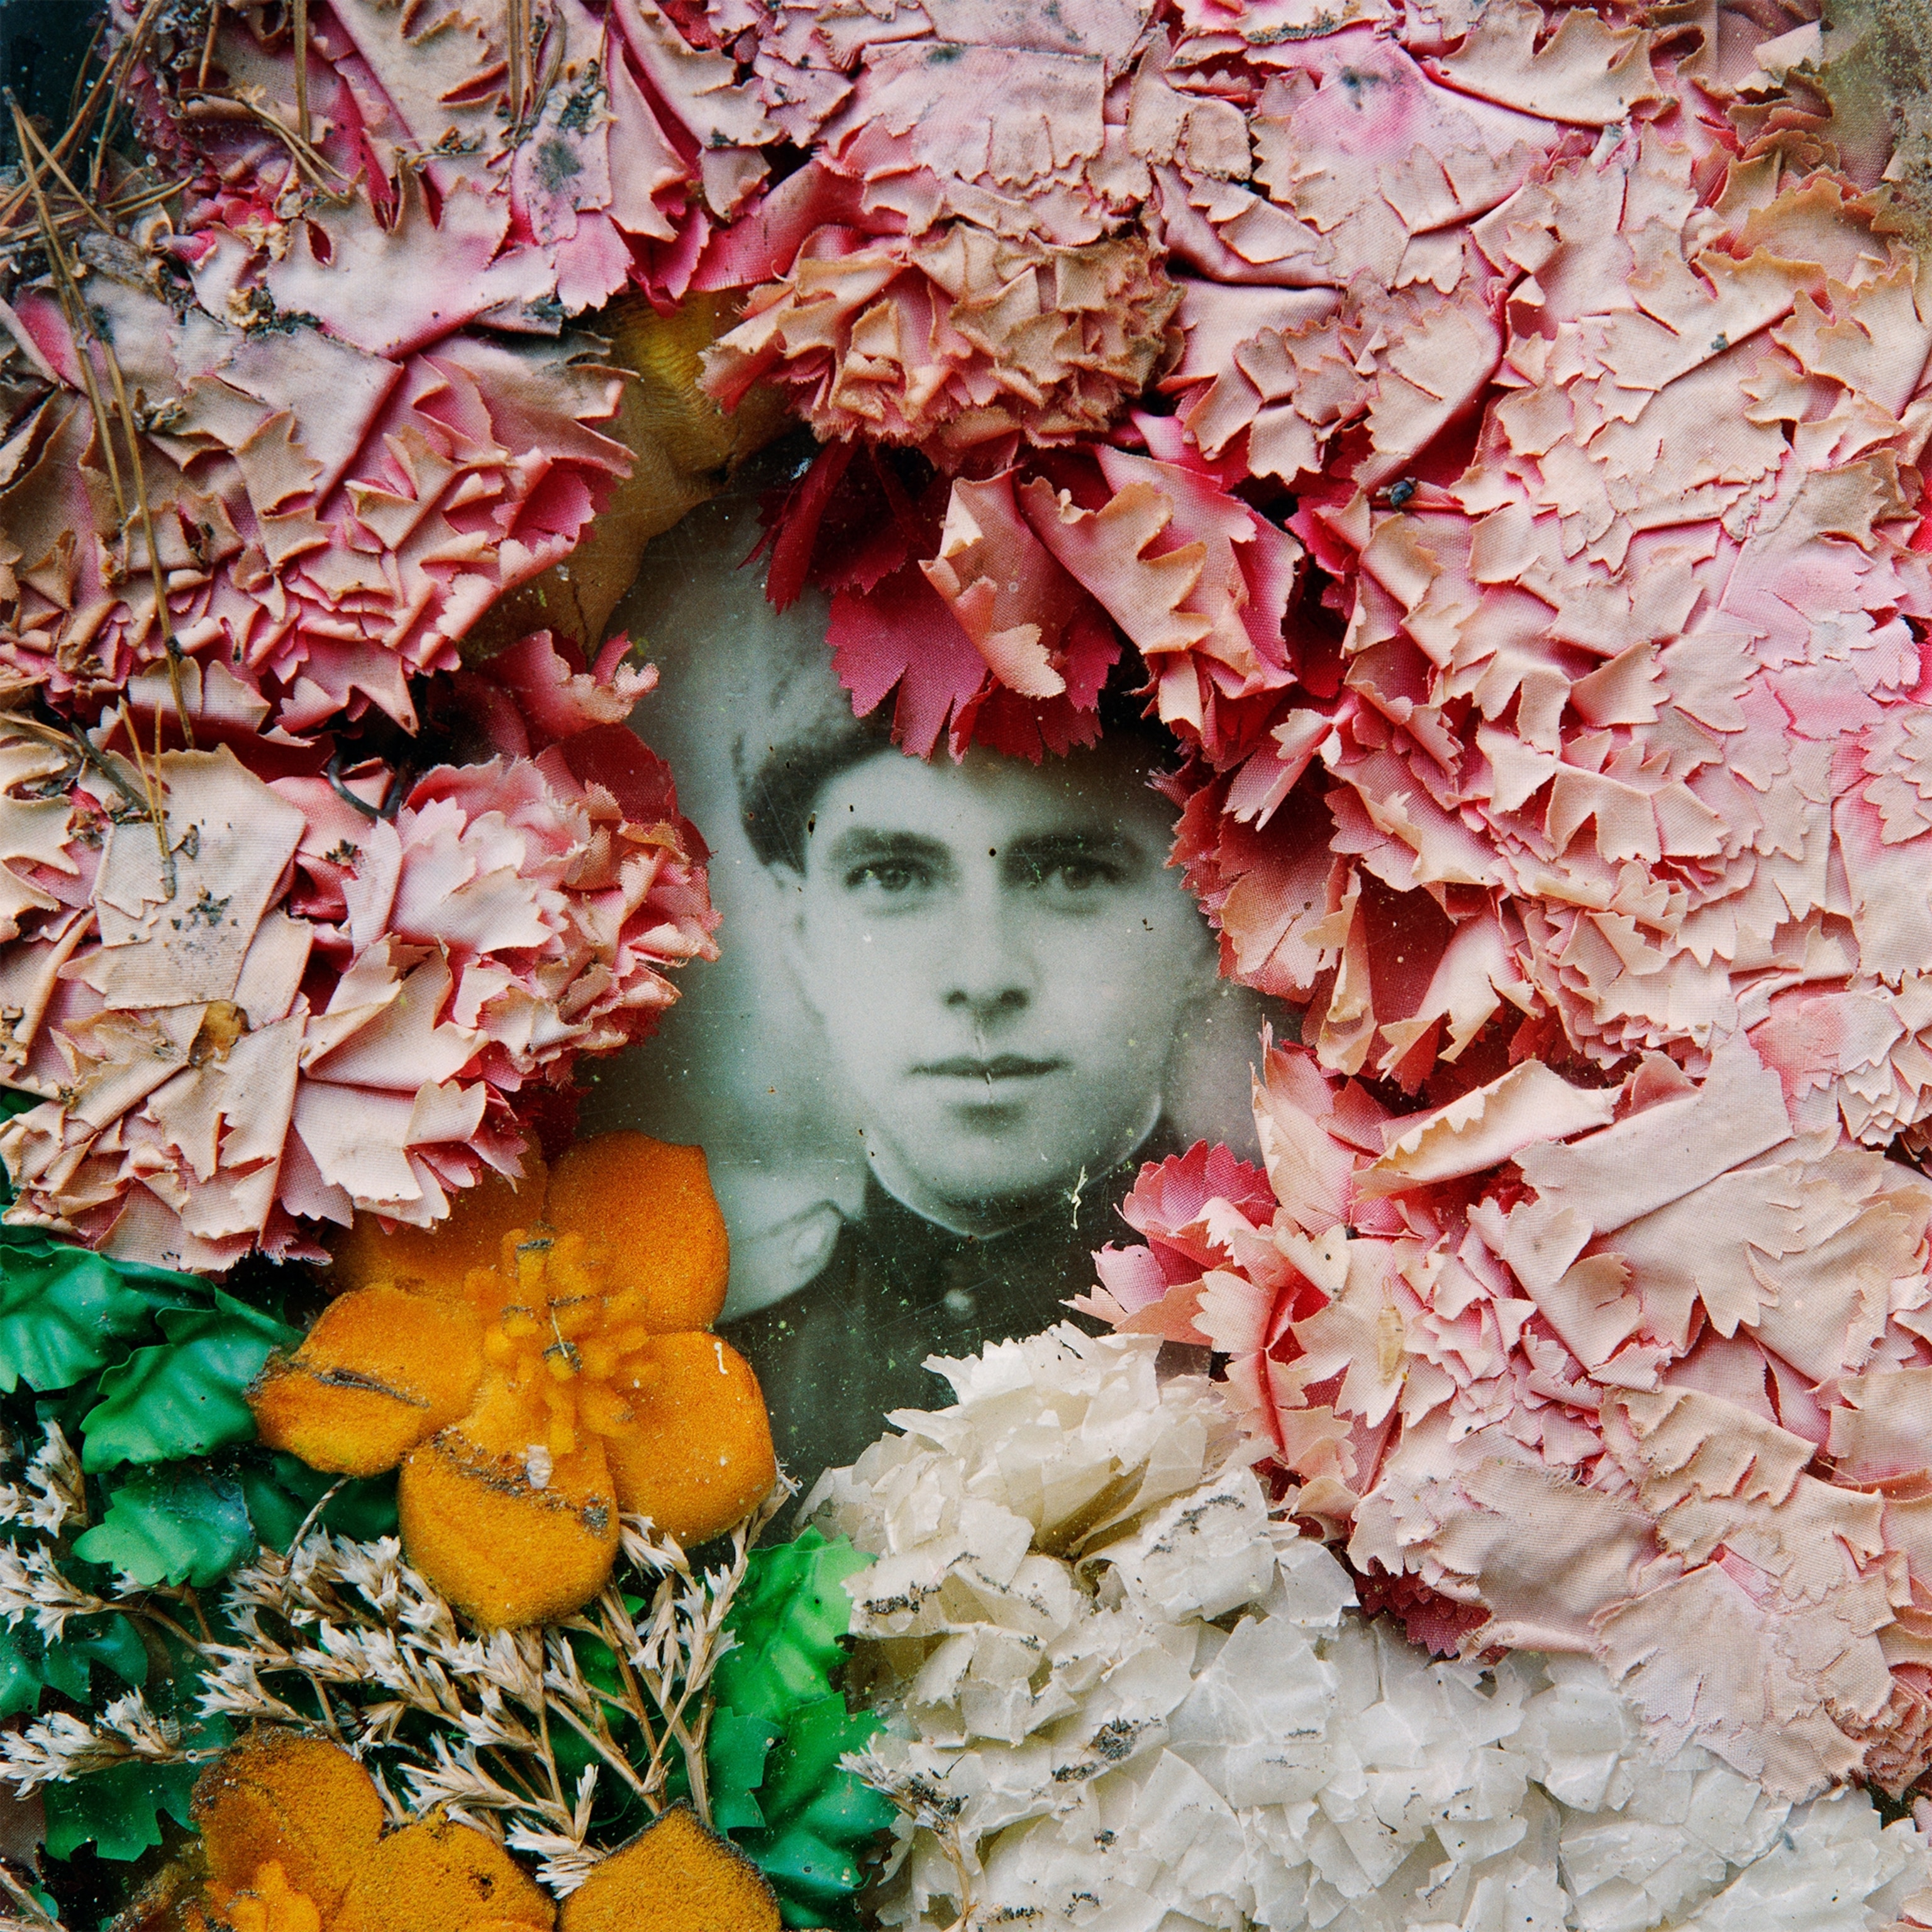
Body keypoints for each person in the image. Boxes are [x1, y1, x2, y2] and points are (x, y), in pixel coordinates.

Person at [723, 702, 1221, 1492]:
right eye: (894, 876)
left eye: (1073, 871)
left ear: (1206, 917)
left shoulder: (1322, 1350)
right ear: (799, 933)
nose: (984, 978)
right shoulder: (723, 1379)